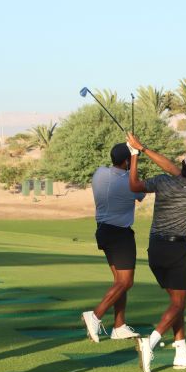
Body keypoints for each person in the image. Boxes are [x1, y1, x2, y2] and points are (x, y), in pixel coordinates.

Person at [126, 133, 186, 372]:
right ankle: (150, 342)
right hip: (176, 250)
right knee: (178, 304)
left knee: (177, 304)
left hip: (155, 250)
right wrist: (142, 148)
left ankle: (181, 352)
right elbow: (176, 171)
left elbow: (134, 186)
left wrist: (137, 153)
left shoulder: (163, 183)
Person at [81, 143, 145, 342]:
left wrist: (131, 157)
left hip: (103, 231)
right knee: (126, 282)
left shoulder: (99, 173)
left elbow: (125, 173)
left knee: (119, 282)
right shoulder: (129, 183)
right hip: (120, 235)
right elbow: (139, 191)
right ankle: (95, 315)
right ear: (126, 161)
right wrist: (136, 158)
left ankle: (119, 326)